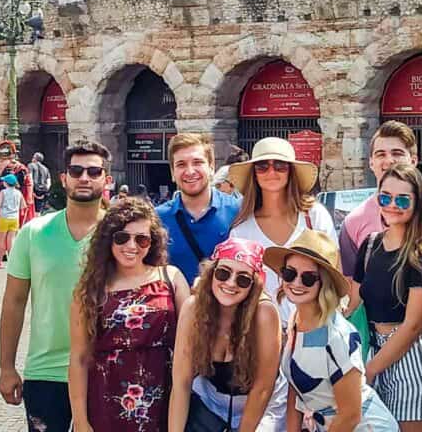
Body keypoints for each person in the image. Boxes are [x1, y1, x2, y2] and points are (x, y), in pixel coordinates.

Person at [0, 140, 112, 432]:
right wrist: (6, 367)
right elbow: (14, 302)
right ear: (64, 178)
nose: (84, 177)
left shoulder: (123, 237)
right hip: (46, 371)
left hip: (106, 368)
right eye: (76, 171)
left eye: (93, 171)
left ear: (107, 179)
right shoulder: (33, 233)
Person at [67, 198, 190, 432]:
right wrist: (81, 421)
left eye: (141, 239)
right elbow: (79, 358)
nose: (131, 246)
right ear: (108, 239)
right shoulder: (90, 289)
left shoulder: (170, 278)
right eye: (122, 237)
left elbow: (191, 344)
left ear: (152, 242)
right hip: (106, 401)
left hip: (163, 399)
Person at [268, 230, 400, 431]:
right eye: (289, 273)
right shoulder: (296, 320)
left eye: (308, 278)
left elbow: (350, 415)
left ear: (324, 283)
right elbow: (296, 389)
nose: (296, 282)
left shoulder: (337, 336)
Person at [345, 164, 422, 431]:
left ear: (418, 201)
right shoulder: (371, 244)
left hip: (412, 358)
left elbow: (413, 325)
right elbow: (354, 303)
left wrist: (372, 368)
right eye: (385, 197)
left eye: (402, 199)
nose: (392, 205)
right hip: (372, 347)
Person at [168, 238, 287, 431]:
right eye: (223, 273)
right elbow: (181, 382)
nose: (231, 284)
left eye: (243, 279)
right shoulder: (193, 309)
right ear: (211, 274)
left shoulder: (264, 314)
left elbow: (262, 389)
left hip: (263, 406)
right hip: (211, 402)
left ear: (254, 285)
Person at [226, 137, 338, 323]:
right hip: (262, 331)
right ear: (254, 173)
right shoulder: (241, 230)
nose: (271, 171)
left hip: (313, 325)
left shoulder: (314, 215)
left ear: (290, 171)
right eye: (262, 166)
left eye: (280, 165)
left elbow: (334, 272)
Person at [341, 121, 422, 252]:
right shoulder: (354, 222)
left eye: (397, 153)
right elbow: (349, 272)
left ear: (413, 161)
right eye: (381, 154)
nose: (389, 161)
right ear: (371, 163)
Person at [155, 133, 241, 286]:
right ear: (172, 172)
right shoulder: (157, 219)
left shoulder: (238, 211)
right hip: (177, 309)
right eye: (181, 164)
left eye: (197, 162)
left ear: (212, 167)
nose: (190, 171)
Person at [0, 174, 24, 270]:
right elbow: (23, 206)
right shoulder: (18, 193)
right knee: (11, 240)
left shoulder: (3, 192)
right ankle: (12, 262)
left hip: (4, 218)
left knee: (1, 241)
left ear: (6, 183)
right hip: (14, 218)